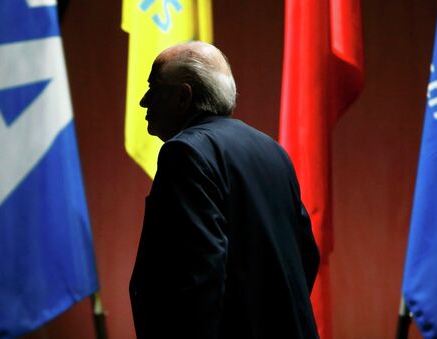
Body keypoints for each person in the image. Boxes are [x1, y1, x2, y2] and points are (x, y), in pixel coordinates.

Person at [129, 41, 320, 339]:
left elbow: (198, 275)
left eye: (153, 86)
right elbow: (306, 255)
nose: (143, 100)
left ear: (183, 97)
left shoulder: (184, 152)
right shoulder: (273, 150)